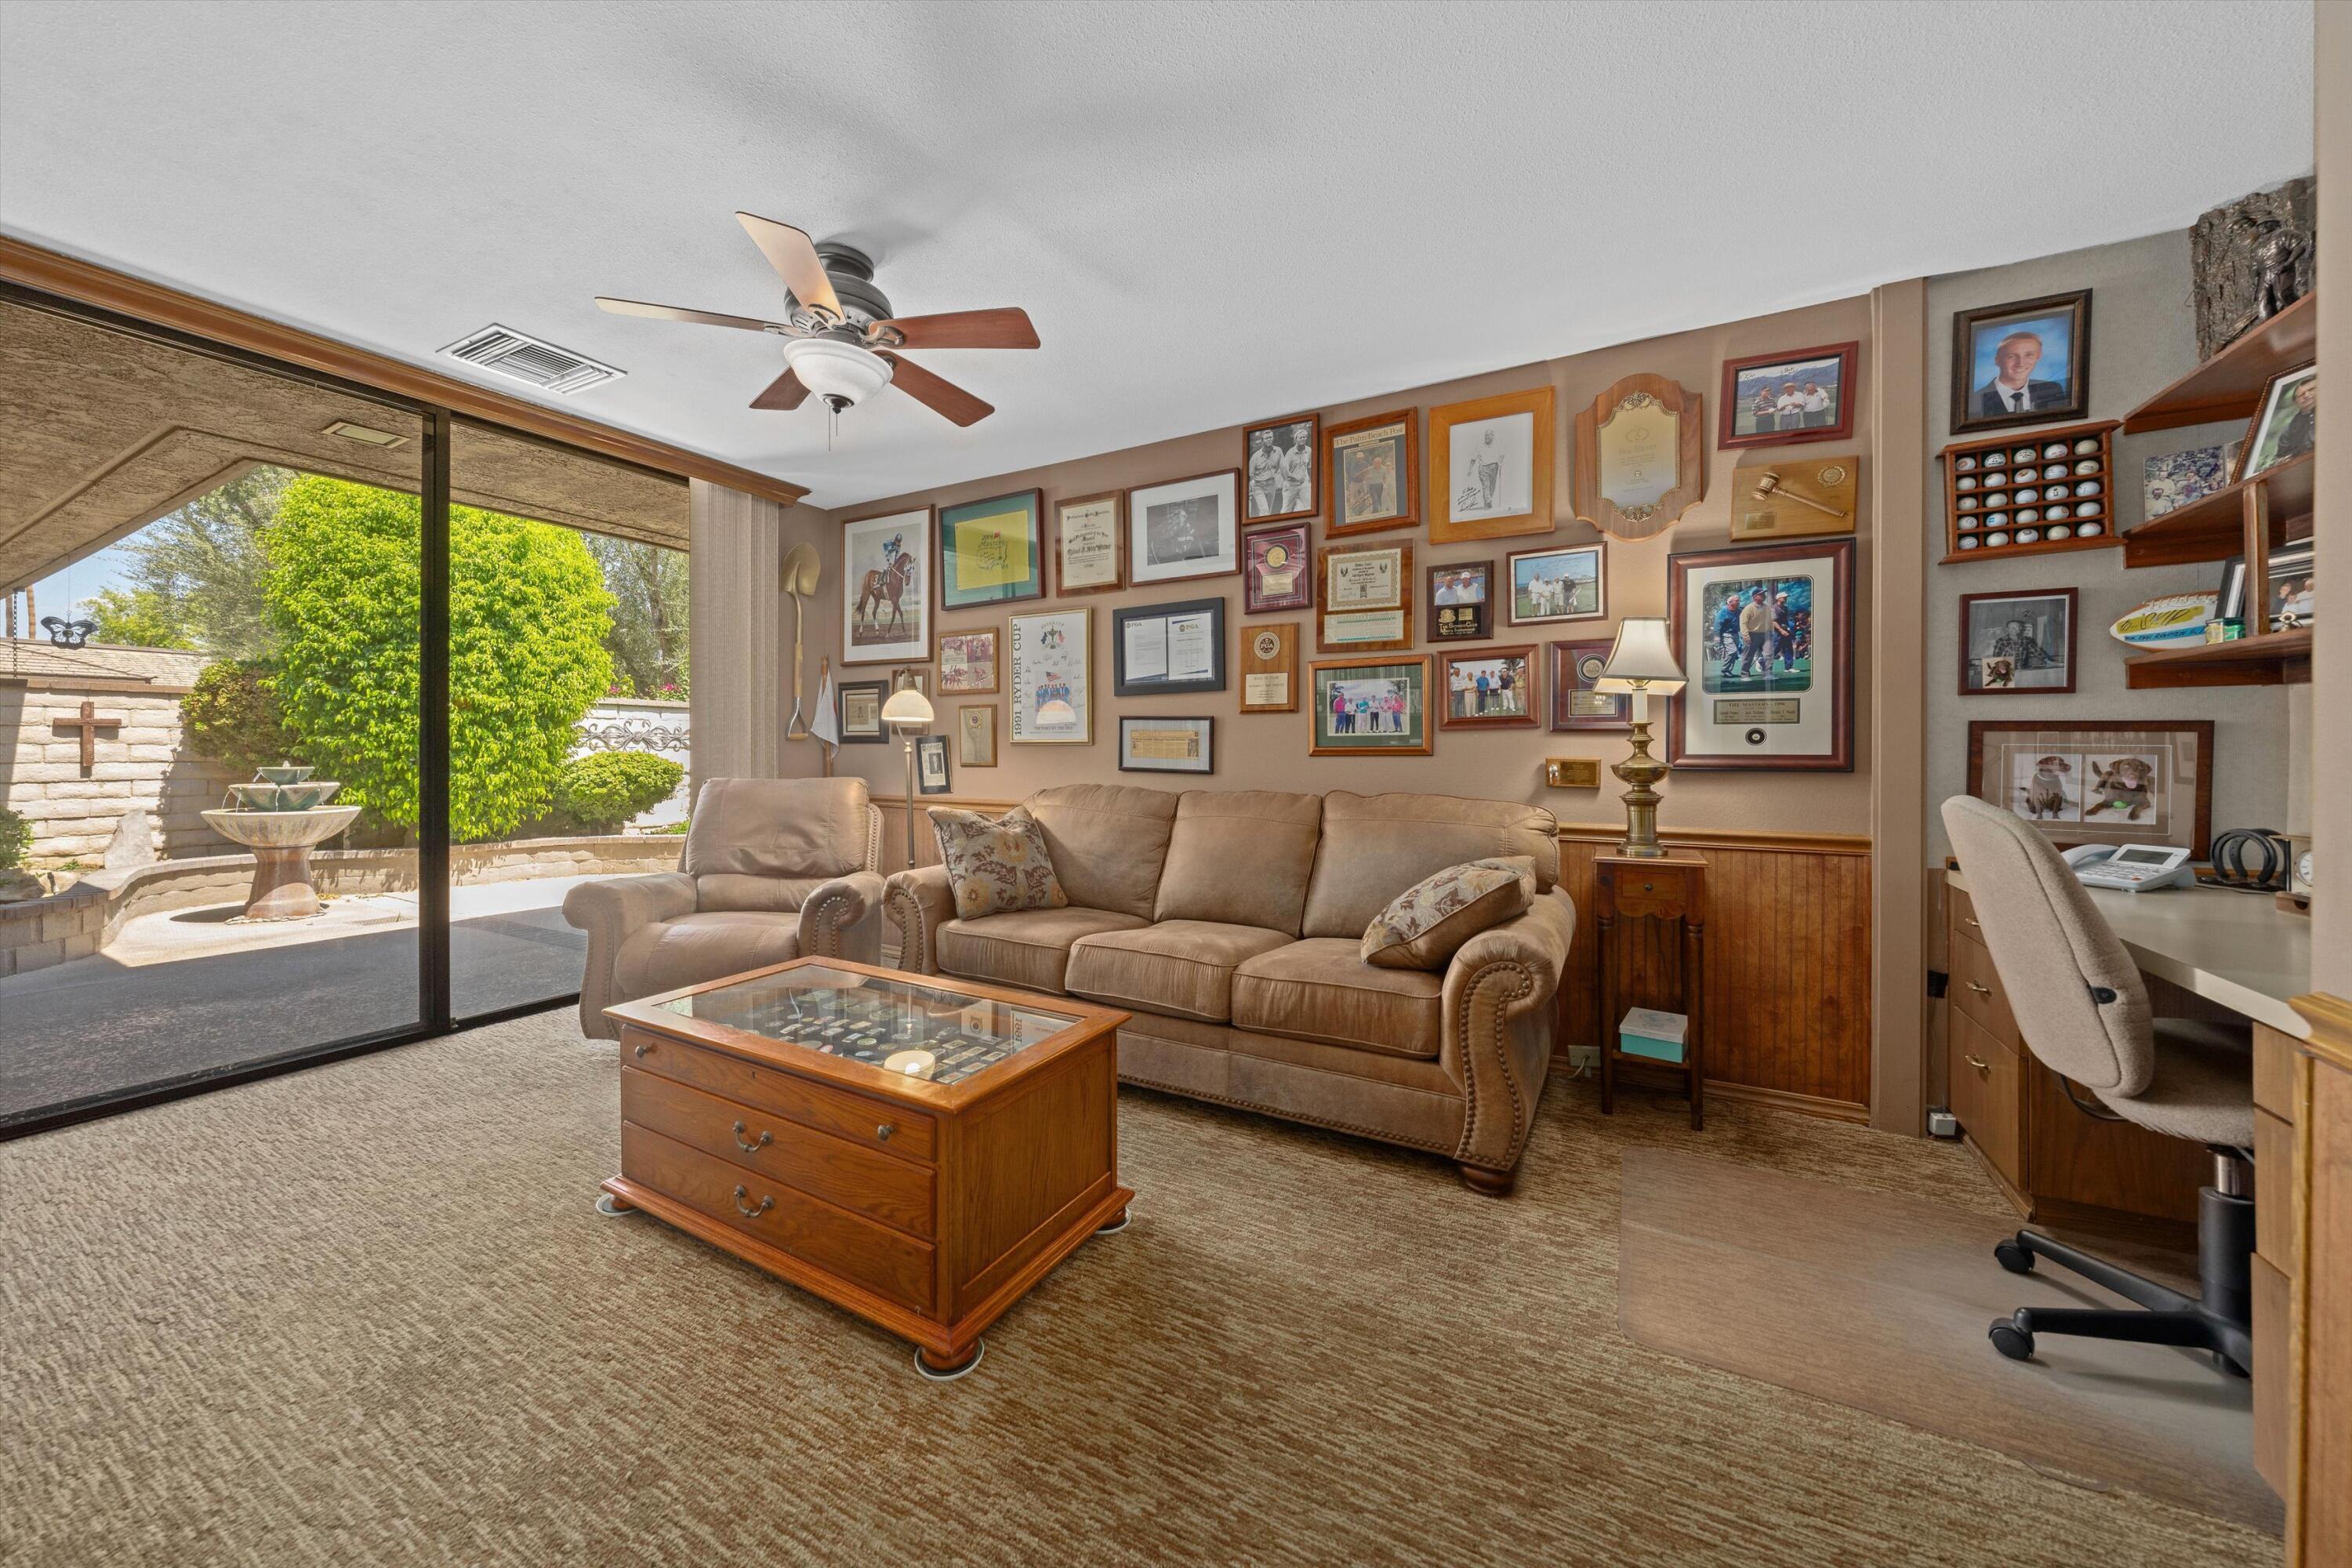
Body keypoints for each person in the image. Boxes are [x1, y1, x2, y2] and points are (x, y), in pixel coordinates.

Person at [1975, 329, 2068, 419]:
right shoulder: (1975, 400)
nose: (2020, 363)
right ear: (1997, 361)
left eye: (2029, 355)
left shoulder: (2052, 389)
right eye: (2011, 356)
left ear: (2038, 357)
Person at [2265, 376, 2316, 466]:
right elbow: (2280, 457)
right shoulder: (2290, 428)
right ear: (2296, 402)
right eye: (2301, 395)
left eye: (2311, 389)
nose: (2307, 395)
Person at [1738, 586, 1771, 677]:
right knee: (1748, 655)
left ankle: (1767, 674)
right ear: (1754, 597)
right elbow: (1743, 623)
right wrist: (1746, 636)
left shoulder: (1767, 607)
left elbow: (1769, 621)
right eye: (1761, 594)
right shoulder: (1748, 609)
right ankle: (1745, 674)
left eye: (1764, 594)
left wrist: (1771, 632)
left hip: (1765, 634)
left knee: (1768, 654)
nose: (1764, 596)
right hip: (1751, 634)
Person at [1279, 426, 1314, 511]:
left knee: (1310, 507)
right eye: (1300, 437)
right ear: (1296, 439)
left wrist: (1311, 481)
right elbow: (1284, 471)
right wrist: (1296, 477)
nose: (1302, 439)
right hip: (1291, 484)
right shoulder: (1290, 453)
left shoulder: (1309, 450)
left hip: (1304, 483)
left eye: (1304, 437)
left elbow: (1310, 467)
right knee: (1286, 510)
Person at [1248, 430, 1282, 517]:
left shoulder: (1278, 451)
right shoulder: (1255, 457)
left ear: (1273, 438)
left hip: (1271, 484)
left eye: (1270, 437)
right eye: (1267, 438)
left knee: (1269, 510)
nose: (1269, 439)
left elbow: (1283, 466)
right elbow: (1250, 475)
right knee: (1264, 509)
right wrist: (1252, 485)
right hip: (1259, 485)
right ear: (1262, 440)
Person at [1712, 592, 1742, 666]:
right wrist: (1717, 636)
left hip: (1736, 634)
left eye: (1739, 601)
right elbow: (1717, 624)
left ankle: (1728, 671)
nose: (1739, 602)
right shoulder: (1724, 611)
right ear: (1730, 602)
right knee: (1733, 651)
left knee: (1733, 653)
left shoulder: (1739, 611)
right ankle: (1725, 669)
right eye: (1737, 601)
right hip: (1726, 634)